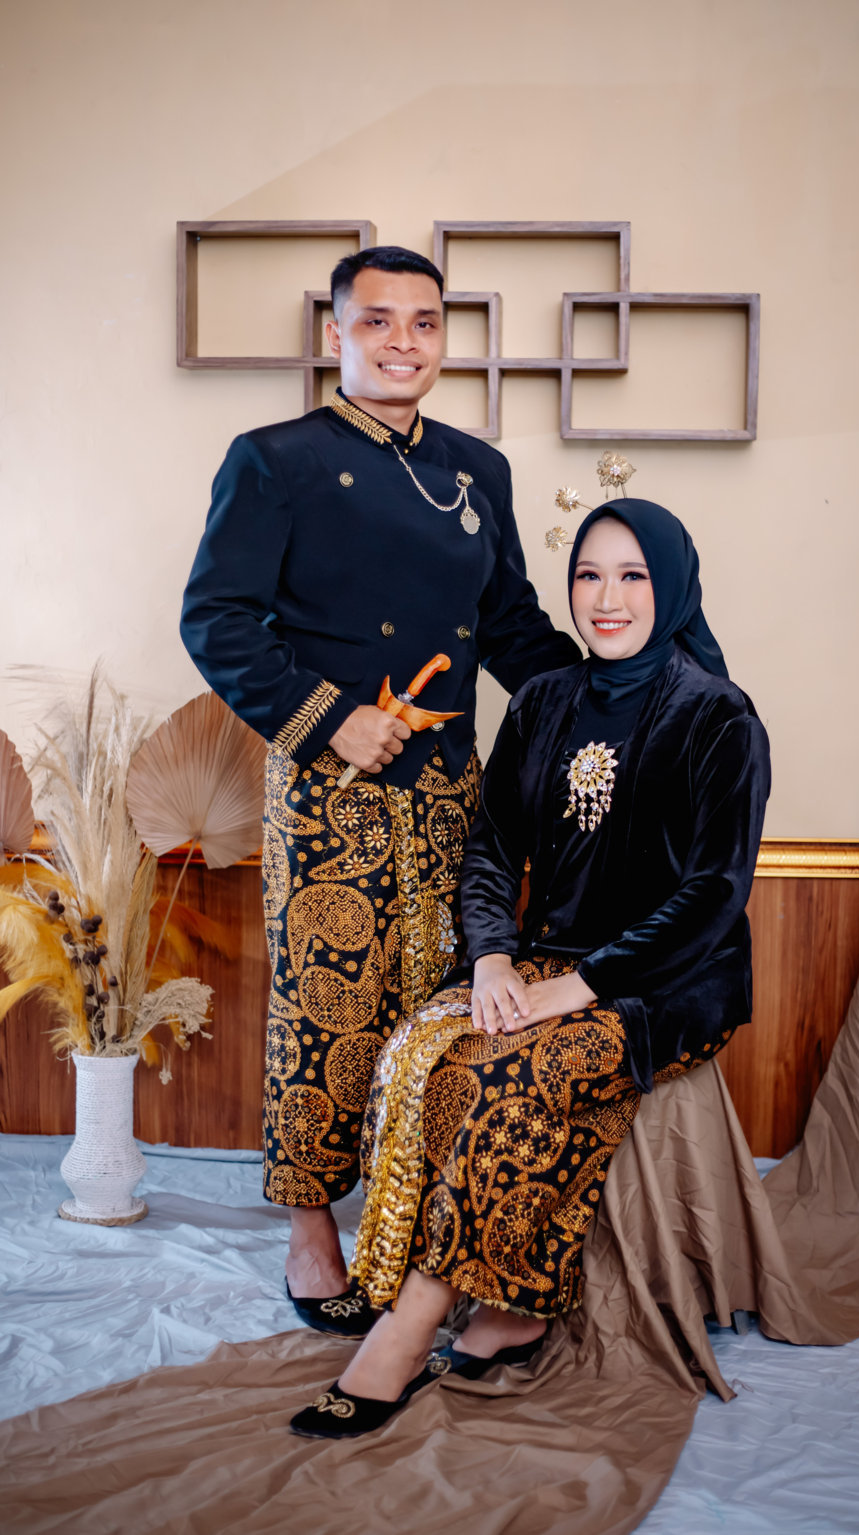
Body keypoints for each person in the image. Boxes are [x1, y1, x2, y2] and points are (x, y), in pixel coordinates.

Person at [289, 498, 771, 1438]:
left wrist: (579, 987)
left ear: (672, 585)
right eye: (589, 574)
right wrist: (493, 959)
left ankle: (409, 1328)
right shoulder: (546, 700)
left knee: (512, 1079)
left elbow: (713, 895)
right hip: (544, 956)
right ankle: (507, 1310)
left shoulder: (719, 717)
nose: (606, 598)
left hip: (663, 982)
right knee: (420, 1055)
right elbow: (491, 848)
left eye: (632, 576)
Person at [179, 246, 579, 1332]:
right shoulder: (275, 459)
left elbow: (510, 626)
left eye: (424, 322)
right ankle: (312, 1228)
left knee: (442, 1005)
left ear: (443, 337)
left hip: (452, 787)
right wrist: (329, 717)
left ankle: (420, 1231)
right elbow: (215, 618)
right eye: (378, 321)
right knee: (329, 1007)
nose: (404, 341)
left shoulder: (476, 468)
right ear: (336, 334)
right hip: (329, 788)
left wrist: (609, 694)